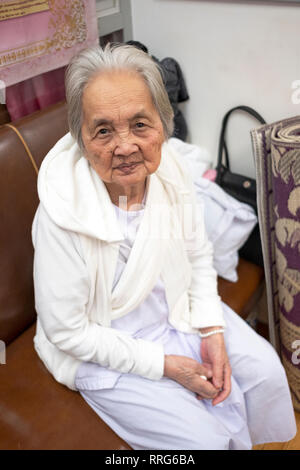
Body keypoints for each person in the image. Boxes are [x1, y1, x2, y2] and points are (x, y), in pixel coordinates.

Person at [32, 43, 296, 450]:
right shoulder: (60, 213)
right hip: (104, 342)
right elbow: (67, 331)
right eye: (103, 130)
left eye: (140, 124)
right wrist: (164, 367)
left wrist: (212, 328)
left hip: (176, 309)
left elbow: (197, 255)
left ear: (164, 124)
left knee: (265, 373)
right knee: (204, 441)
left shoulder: (170, 169)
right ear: (81, 139)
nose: (124, 146)